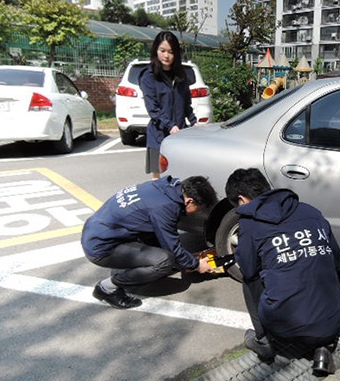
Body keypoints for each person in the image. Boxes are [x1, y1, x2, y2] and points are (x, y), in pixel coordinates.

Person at [225, 168, 340, 375]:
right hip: (333, 321)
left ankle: (263, 343)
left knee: (249, 280)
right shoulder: (311, 212)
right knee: (318, 265)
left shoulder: (250, 223)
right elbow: (338, 262)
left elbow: (248, 267)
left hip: (285, 325)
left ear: (242, 199)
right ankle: (323, 347)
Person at [82, 176, 217, 309]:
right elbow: (172, 246)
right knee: (164, 261)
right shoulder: (166, 206)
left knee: (167, 251)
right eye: (199, 208)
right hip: (101, 248)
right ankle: (106, 288)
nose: (198, 212)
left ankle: (143, 267)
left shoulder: (164, 188)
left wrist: (184, 260)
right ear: (189, 201)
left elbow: (158, 233)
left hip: (97, 232)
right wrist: (195, 265)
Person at [139, 31, 197, 180]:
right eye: (162, 51)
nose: (166, 56)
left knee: (180, 175)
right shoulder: (148, 77)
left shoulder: (181, 75)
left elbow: (186, 103)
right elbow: (153, 110)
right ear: (156, 51)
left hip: (179, 133)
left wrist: (193, 121)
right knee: (157, 177)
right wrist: (170, 125)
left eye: (171, 52)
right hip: (158, 135)